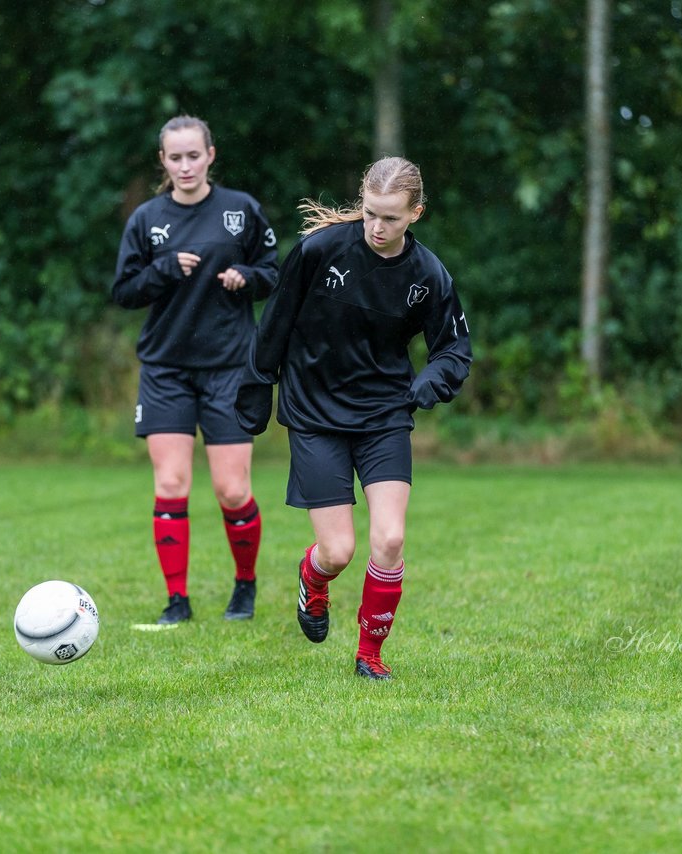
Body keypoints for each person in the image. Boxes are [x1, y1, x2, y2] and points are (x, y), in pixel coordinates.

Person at [235, 156, 472, 679]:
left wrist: (429, 383)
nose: (376, 228)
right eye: (369, 213)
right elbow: (275, 320)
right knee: (338, 550)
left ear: (416, 214)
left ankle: (370, 654)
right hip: (315, 411)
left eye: (390, 217)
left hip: (384, 413)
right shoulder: (321, 250)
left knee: (389, 539)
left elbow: (454, 351)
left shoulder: (428, 275)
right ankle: (313, 581)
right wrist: (257, 383)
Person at [111, 115, 279, 625]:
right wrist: (163, 270)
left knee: (231, 489)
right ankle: (177, 602)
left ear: (210, 155)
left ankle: (244, 588)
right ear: (162, 161)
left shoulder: (240, 210)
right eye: (174, 157)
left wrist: (245, 277)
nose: (185, 165)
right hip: (166, 368)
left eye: (193, 155)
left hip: (229, 366)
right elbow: (124, 291)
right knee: (171, 484)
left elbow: (275, 275)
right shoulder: (146, 219)